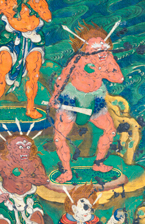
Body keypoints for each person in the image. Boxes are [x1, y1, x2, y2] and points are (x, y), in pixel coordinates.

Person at [48, 23, 124, 180]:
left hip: (95, 100)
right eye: (96, 48)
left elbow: (119, 78)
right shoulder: (78, 60)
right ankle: (66, 171)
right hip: (71, 99)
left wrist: (101, 70)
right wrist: (55, 96)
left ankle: (98, 163)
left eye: (103, 46)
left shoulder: (108, 59)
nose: (101, 51)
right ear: (86, 49)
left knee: (110, 130)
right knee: (59, 136)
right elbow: (63, 77)